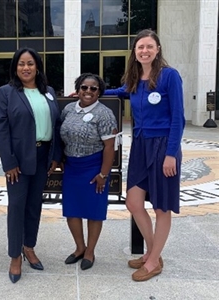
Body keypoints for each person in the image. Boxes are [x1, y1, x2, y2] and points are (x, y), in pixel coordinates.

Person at [104, 29, 185, 281]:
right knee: (134, 202)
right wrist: (90, 93)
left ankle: (152, 262)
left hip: (163, 147)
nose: (144, 51)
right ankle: (153, 252)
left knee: (162, 207)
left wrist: (171, 154)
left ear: (157, 49)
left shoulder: (169, 76)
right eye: (140, 47)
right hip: (140, 145)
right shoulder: (135, 78)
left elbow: (178, 118)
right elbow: (119, 92)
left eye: (149, 46)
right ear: (135, 52)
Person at [0, 47, 62, 283]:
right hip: (19, 161)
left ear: (37, 66)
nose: (26, 68)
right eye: (21, 63)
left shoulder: (49, 92)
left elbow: (57, 124)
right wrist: (9, 162)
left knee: (34, 206)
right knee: (17, 207)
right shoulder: (6, 92)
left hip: (43, 157)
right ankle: (15, 255)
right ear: (15, 67)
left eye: (30, 63)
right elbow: (0, 128)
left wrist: (55, 156)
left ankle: (29, 247)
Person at [60, 73, 118, 271]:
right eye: (84, 87)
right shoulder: (68, 109)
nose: (88, 91)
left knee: (94, 212)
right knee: (72, 210)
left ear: (99, 91)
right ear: (78, 89)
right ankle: (79, 248)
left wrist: (103, 174)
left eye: (93, 88)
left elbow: (110, 147)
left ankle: (90, 251)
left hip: (94, 168)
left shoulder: (105, 114)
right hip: (72, 167)